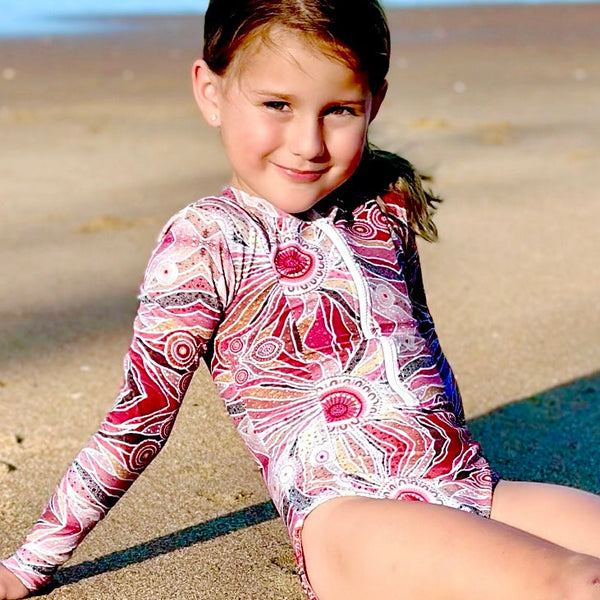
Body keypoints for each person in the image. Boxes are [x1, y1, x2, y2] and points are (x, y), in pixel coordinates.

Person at [2, 0, 600, 598]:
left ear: (375, 103)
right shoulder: (207, 242)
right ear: (211, 93)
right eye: (277, 105)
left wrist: (456, 461)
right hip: (352, 519)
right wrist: (28, 563)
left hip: (470, 487)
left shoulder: (381, 210)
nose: (308, 143)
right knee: (576, 583)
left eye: (339, 110)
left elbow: (424, 352)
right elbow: (137, 421)